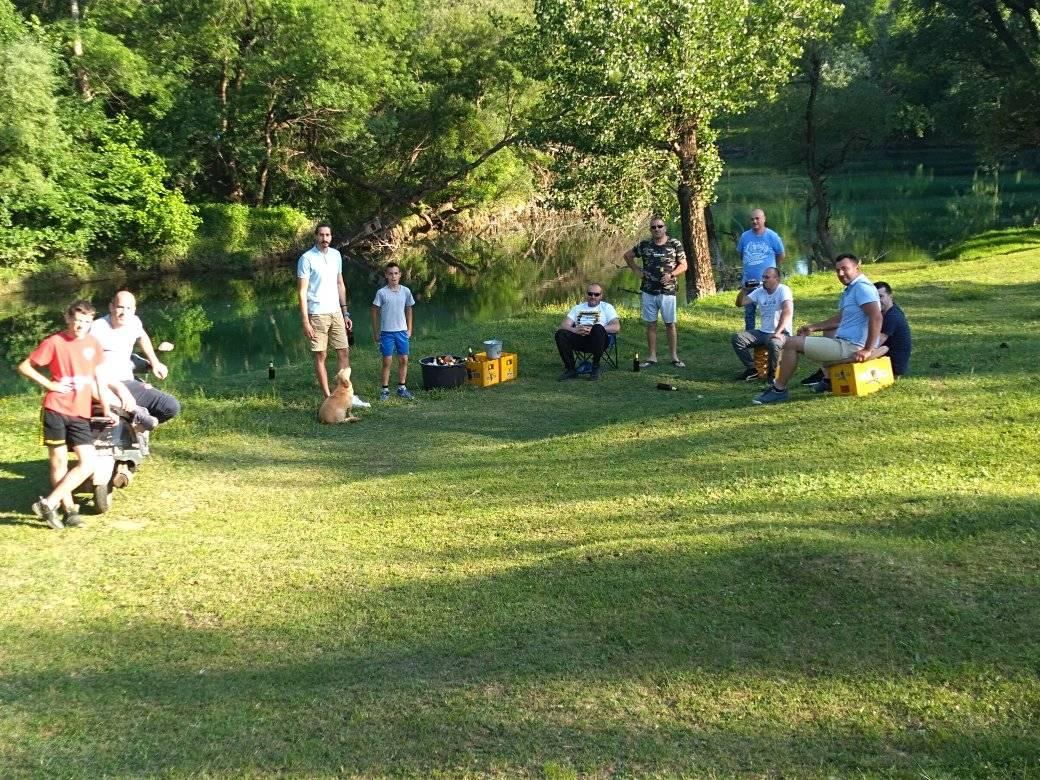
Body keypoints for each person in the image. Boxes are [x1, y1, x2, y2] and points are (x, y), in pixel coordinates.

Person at [17, 300, 119, 529]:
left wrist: (107, 408)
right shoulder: (54, 342)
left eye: (86, 322)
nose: (80, 326)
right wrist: (49, 385)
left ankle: (48, 503)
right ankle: (69, 511)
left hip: (80, 413)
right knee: (59, 462)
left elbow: (99, 379)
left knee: (88, 463)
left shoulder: (93, 344)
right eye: (77, 320)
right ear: (67, 318)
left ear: (91, 322)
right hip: (55, 410)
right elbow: (25, 366)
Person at [753, 253, 881, 405]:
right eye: (837, 270)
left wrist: (867, 349)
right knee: (827, 332)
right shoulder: (852, 288)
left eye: (845, 269)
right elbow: (841, 318)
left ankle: (778, 390)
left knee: (789, 343)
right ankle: (829, 380)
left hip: (852, 347)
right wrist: (813, 327)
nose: (840, 273)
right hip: (846, 343)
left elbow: (876, 317)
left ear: (857, 267)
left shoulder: (862, 288)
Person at [297, 223, 369, 406]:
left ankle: (346, 396)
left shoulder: (336, 255)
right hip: (317, 313)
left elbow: (340, 284)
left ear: (331, 237)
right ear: (315, 236)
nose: (325, 238)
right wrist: (305, 321)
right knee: (321, 355)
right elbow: (302, 292)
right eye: (321, 235)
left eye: (327, 235)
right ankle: (328, 397)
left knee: (344, 351)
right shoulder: (306, 258)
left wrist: (345, 313)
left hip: (336, 311)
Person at [90, 290, 181, 425]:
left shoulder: (134, 322)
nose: (124, 312)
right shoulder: (97, 328)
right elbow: (86, 365)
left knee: (170, 406)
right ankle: (136, 418)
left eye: (129, 308)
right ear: (111, 307)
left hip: (128, 380)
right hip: (105, 385)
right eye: (120, 307)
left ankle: (138, 426)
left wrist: (155, 362)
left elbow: (142, 337)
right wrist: (120, 390)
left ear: (134, 310)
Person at [622, 215, 688, 368]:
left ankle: (674, 357)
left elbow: (684, 265)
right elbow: (627, 256)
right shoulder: (645, 245)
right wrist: (636, 270)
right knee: (651, 324)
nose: (657, 229)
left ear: (665, 228)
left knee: (670, 324)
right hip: (649, 290)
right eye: (654, 227)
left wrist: (671, 275)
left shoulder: (674, 243)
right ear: (650, 230)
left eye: (660, 226)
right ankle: (652, 356)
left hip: (668, 291)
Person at [731, 267, 794, 381]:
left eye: (767, 277)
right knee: (738, 338)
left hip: (782, 332)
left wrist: (778, 332)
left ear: (777, 279)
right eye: (763, 277)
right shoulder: (759, 291)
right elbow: (740, 303)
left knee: (774, 344)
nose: (763, 280)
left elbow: (787, 311)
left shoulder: (783, 290)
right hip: (763, 332)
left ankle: (772, 377)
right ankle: (752, 369)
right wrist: (744, 290)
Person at [554, 283, 620, 381]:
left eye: (596, 294)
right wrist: (575, 330)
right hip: (580, 338)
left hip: (600, 340)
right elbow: (564, 325)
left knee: (597, 327)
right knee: (560, 334)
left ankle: (595, 367)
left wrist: (593, 329)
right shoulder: (577, 308)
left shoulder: (607, 307)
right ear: (586, 294)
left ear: (601, 296)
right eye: (590, 294)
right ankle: (570, 369)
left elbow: (616, 326)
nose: (593, 297)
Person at [370, 262, 415, 400]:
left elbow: (409, 309)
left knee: (404, 359)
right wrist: (376, 331)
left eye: (396, 273)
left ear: (400, 275)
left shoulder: (406, 291)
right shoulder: (381, 293)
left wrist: (409, 328)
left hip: (402, 331)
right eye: (390, 274)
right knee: (387, 361)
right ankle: (385, 390)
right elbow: (374, 311)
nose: (393, 276)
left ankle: (402, 388)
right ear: (386, 275)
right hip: (387, 333)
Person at [737, 209, 785, 331]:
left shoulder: (772, 236)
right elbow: (742, 255)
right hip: (749, 282)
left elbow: (781, 255)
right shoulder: (745, 236)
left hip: (768, 282)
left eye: (757, 218)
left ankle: (774, 333)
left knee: (771, 311)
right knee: (749, 313)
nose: (754, 221)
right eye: (752, 219)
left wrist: (772, 270)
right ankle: (749, 336)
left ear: (764, 219)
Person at [875, 281, 912, 377]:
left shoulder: (892, 316)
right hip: (888, 358)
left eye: (880, 296)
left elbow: (877, 342)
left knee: (857, 355)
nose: (877, 300)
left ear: (890, 296)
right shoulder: (891, 310)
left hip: (893, 366)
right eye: (874, 297)